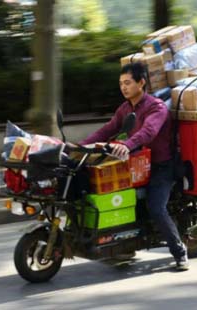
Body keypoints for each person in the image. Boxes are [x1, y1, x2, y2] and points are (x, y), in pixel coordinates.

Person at [79, 62, 189, 271]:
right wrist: (79, 147)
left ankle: (179, 252)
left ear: (141, 82)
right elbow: (107, 130)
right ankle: (123, 246)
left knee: (156, 208)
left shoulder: (156, 107)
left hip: (161, 166)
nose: (124, 87)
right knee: (113, 198)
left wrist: (127, 145)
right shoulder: (125, 108)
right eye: (121, 83)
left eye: (128, 82)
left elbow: (148, 132)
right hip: (137, 165)